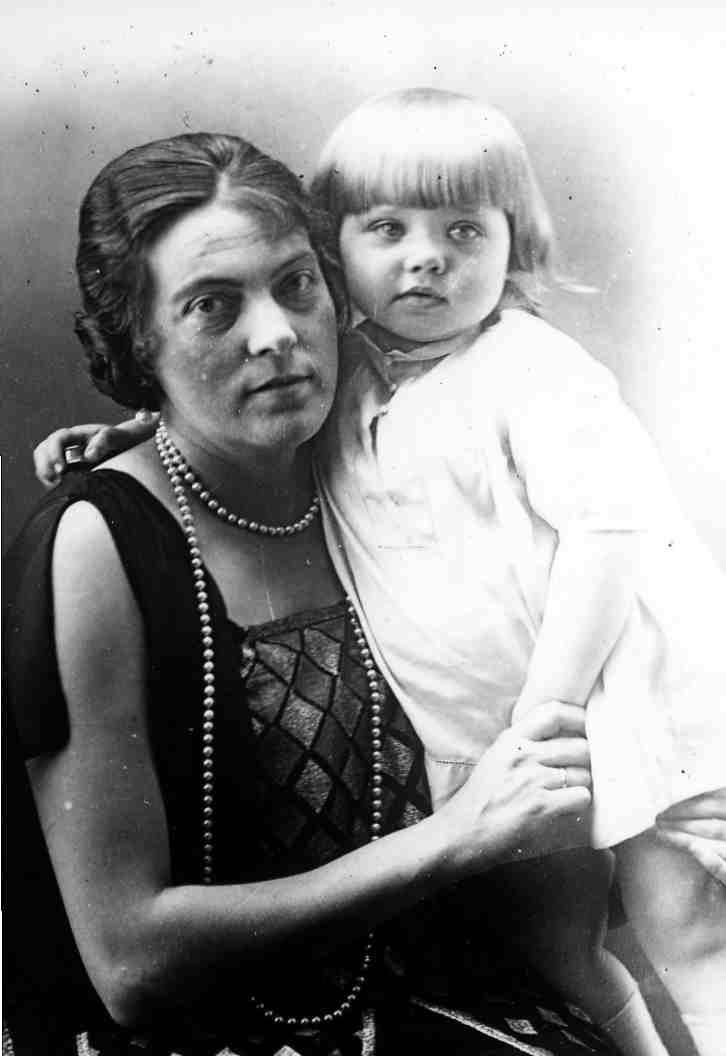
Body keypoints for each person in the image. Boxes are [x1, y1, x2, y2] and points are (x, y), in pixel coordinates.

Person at [34, 90, 726, 1056]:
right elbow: (129, 968)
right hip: (235, 1020)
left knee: (671, 942)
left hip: (500, 875)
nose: (277, 335)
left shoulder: (389, 428)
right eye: (212, 305)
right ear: (138, 340)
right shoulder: (105, 537)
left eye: (296, 285)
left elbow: (605, 538)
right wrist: (145, 427)